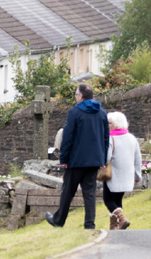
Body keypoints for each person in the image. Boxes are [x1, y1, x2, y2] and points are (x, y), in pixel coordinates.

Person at [46, 83, 109, 230]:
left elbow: (68, 137)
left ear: (81, 96)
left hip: (76, 160)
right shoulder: (102, 113)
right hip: (94, 160)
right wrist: (102, 159)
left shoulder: (75, 112)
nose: (75, 97)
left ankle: (59, 220)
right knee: (89, 193)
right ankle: (89, 224)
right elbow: (105, 138)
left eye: (76, 95)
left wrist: (64, 159)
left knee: (68, 191)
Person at [105, 112, 142, 230]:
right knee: (118, 200)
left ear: (116, 124)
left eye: (109, 123)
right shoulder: (132, 138)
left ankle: (122, 219)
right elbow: (138, 158)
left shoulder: (110, 138)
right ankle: (115, 226)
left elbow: (106, 157)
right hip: (127, 176)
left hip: (113, 175)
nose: (106, 125)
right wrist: (138, 174)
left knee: (108, 201)